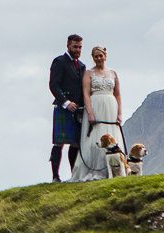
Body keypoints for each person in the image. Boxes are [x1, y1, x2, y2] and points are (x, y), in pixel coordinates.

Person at [72, 45, 124, 181]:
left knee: (112, 135)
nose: (99, 58)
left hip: (111, 106)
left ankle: (115, 168)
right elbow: (86, 94)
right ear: (93, 58)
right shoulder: (89, 73)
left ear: (105, 56)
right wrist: (90, 112)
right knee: (95, 136)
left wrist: (119, 114)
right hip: (95, 105)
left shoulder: (113, 73)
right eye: (96, 56)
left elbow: (118, 94)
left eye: (101, 55)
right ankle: (94, 167)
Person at [48, 34, 86, 182]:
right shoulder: (59, 62)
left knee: (75, 143)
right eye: (75, 47)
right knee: (59, 142)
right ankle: (55, 176)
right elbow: (53, 85)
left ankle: (73, 175)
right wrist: (66, 102)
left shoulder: (82, 66)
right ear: (68, 46)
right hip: (63, 107)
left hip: (78, 110)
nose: (77, 50)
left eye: (80, 47)